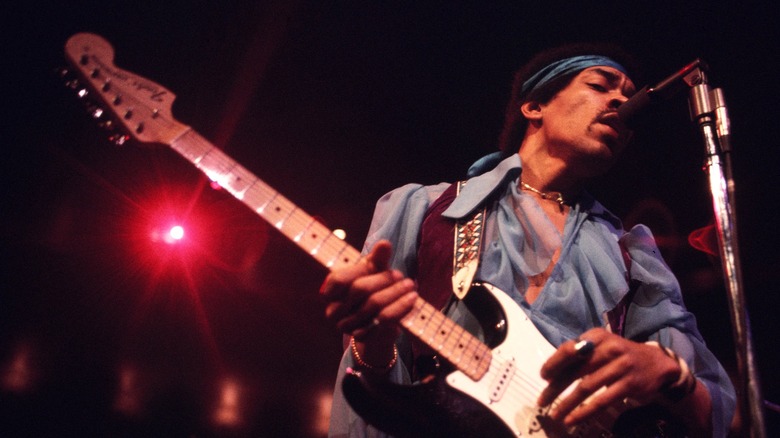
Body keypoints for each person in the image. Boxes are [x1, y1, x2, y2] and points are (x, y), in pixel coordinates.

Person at [320, 43, 736, 437]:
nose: (620, 104)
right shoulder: (427, 209)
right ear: (534, 106)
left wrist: (669, 372)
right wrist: (372, 341)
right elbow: (375, 382)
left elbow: (711, 412)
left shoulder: (631, 253)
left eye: (628, 97)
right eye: (599, 85)